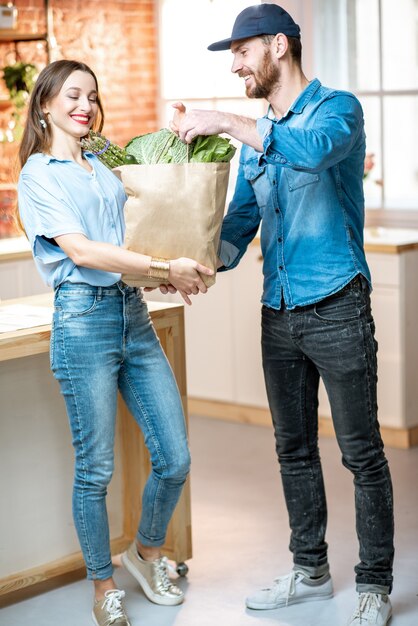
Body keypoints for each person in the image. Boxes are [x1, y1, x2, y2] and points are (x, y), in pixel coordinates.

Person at [171, 4, 394, 626]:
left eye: (241, 52)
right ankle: (310, 572)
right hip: (279, 313)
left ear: (277, 46)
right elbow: (240, 223)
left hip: (338, 306)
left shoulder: (337, 111)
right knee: (293, 450)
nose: (236, 65)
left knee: (361, 453)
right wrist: (190, 262)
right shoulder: (257, 140)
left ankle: (374, 583)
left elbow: (314, 152)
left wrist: (224, 120)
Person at [17, 59, 213, 626]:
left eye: (92, 96)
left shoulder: (105, 159)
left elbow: (149, 215)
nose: (85, 105)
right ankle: (103, 585)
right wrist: (161, 264)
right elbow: (82, 252)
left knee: (175, 457)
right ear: (45, 105)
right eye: (72, 95)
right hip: (82, 322)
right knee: (95, 469)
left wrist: (169, 273)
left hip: (134, 313)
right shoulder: (38, 174)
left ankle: (146, 553)